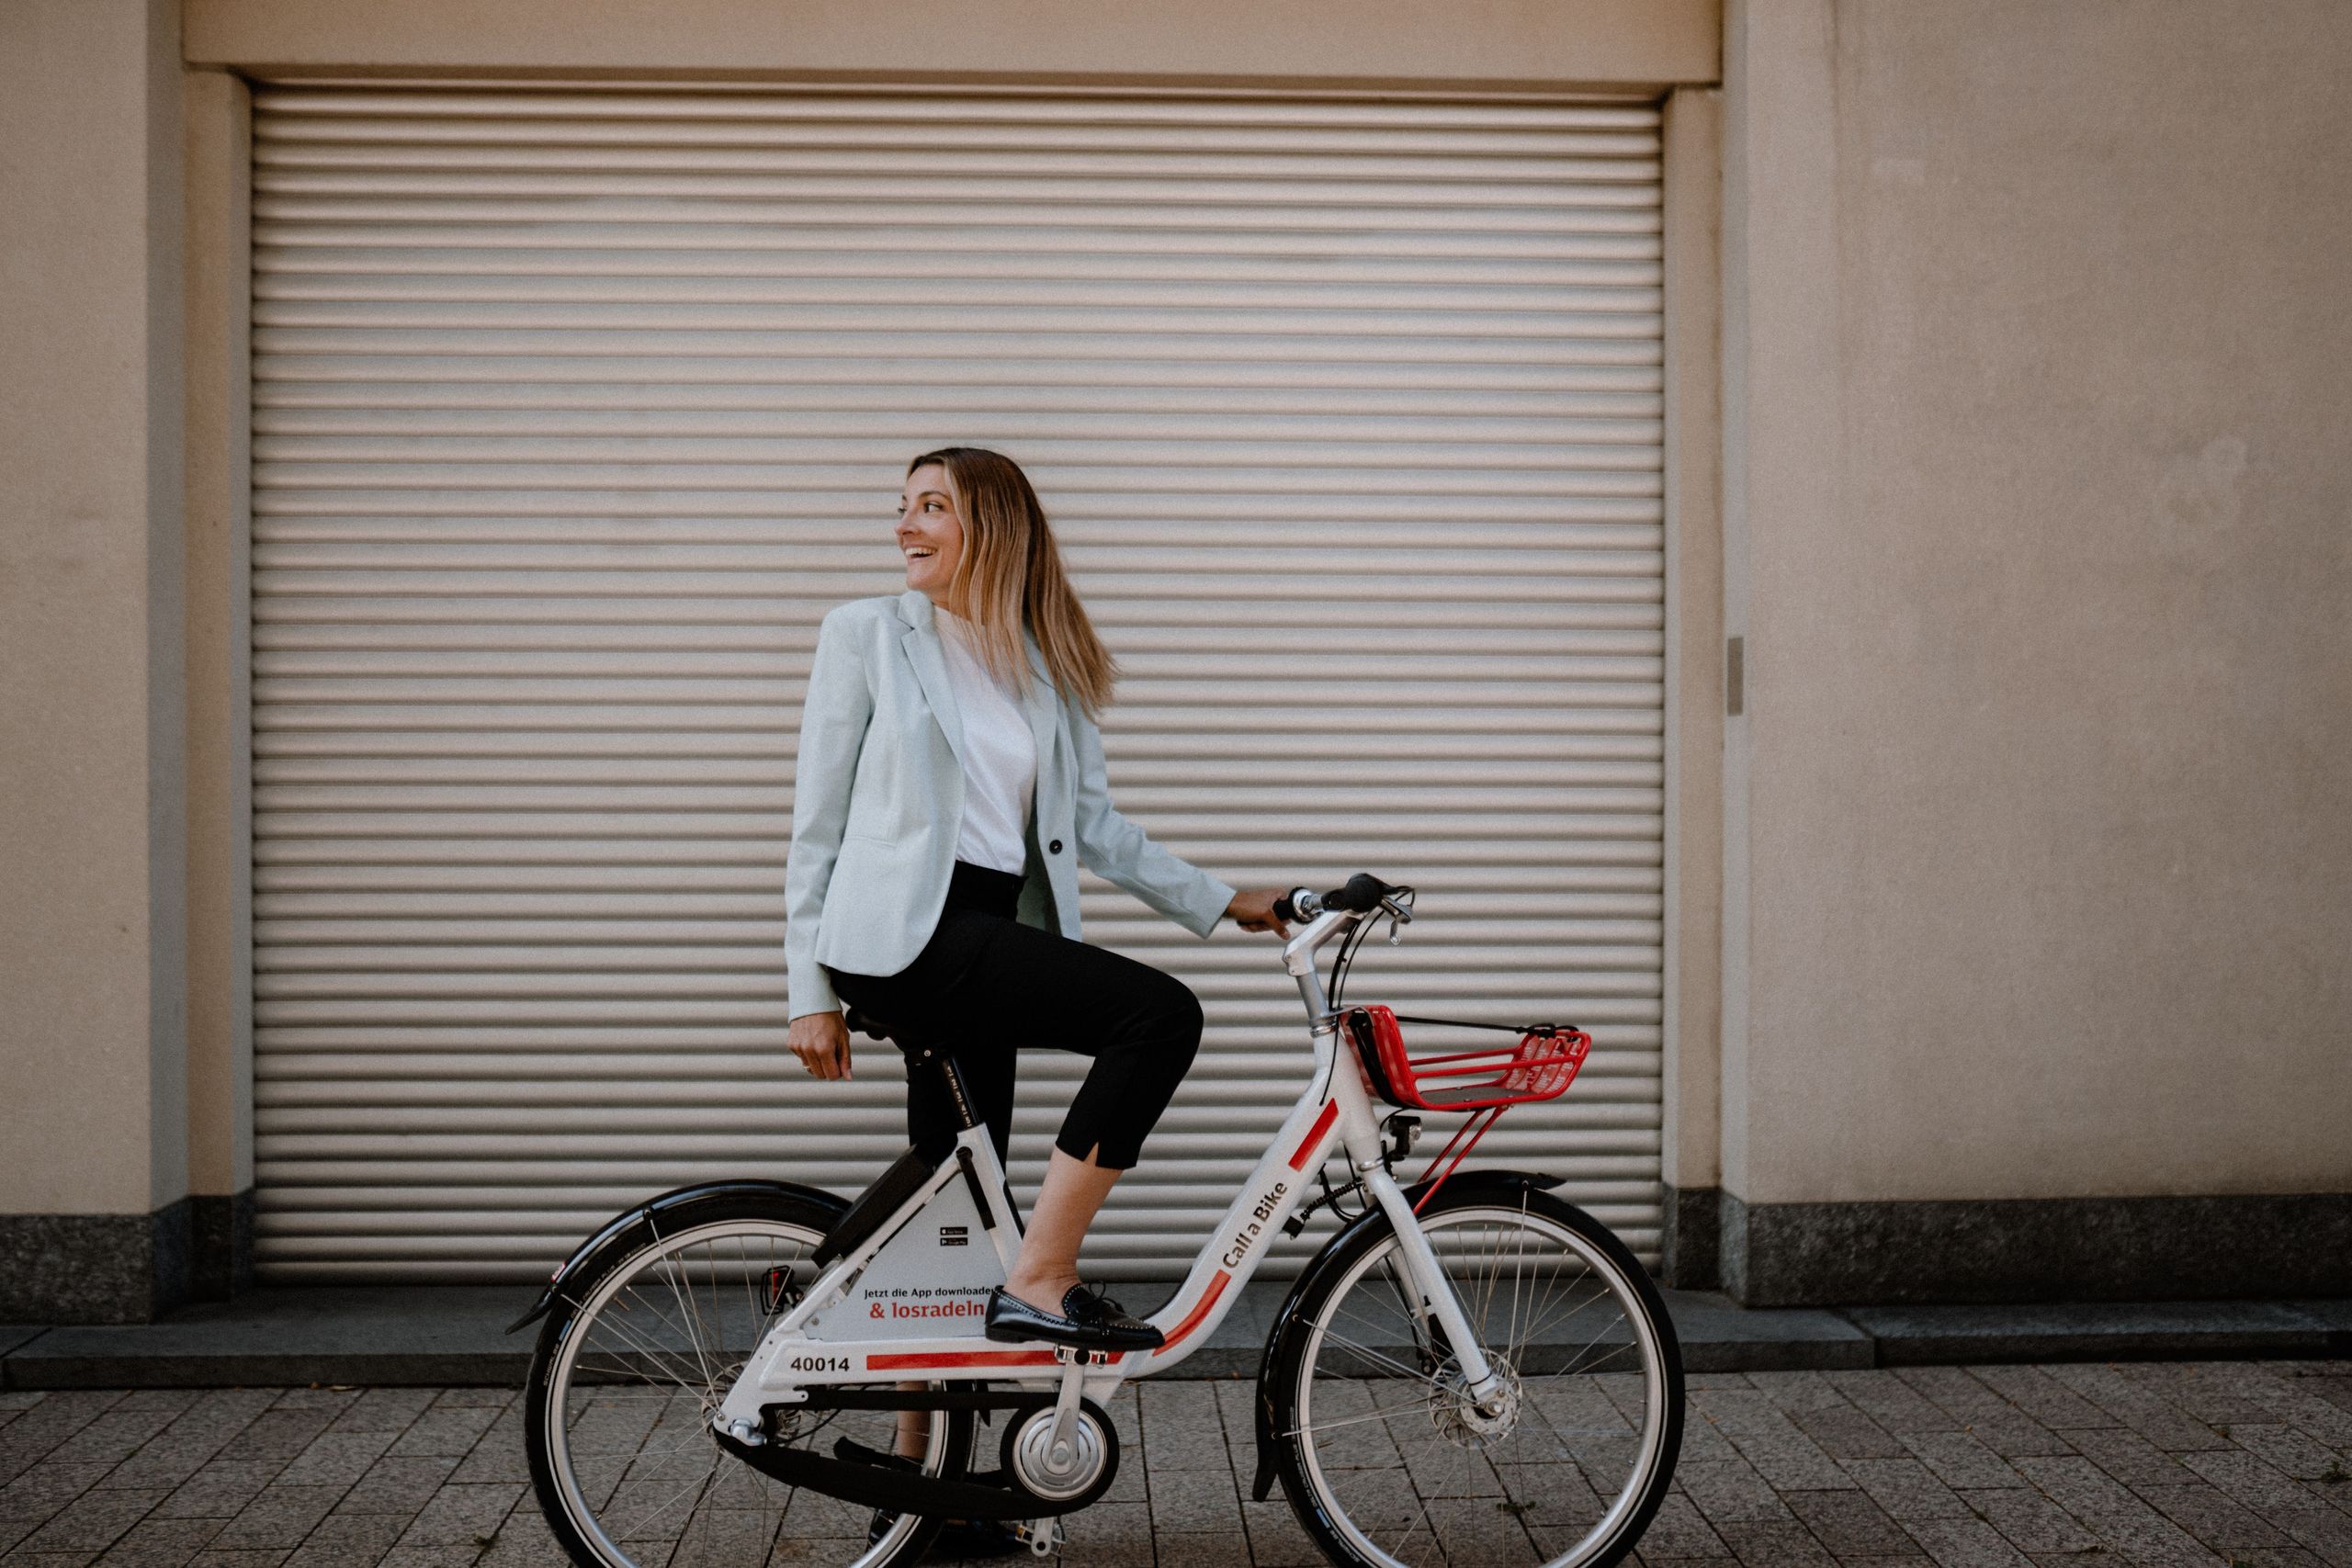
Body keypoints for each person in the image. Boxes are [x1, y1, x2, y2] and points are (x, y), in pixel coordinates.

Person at [783, 446, 1293, 1359]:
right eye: (904, 507)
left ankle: (933, 1486)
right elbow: (816, 823)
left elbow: (1096, 828)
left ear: (992, 526)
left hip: (984, 928)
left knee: (961, 1206)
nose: (903, 526)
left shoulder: (1042, 665)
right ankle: (1044, 1280)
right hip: (908, 936)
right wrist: (808, 988)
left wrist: (1227, 902)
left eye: (930, 507)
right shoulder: (866, 633)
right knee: (1158, 1016)